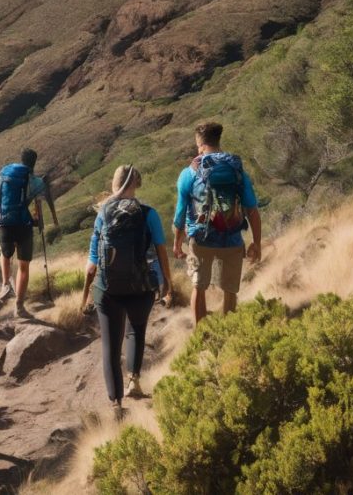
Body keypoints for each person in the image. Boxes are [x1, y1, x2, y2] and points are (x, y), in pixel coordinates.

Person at [80, 166, 171, 414]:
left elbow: (91, 263)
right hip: (141, 288)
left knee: (110, 345)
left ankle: (116, 403)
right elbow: (161, 251)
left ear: (115, 184)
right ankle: (134, 382)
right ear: (136, 185)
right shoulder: (148, 213)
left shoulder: (103, 213)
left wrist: (87, 293)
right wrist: (166, 283)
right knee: (135, 332)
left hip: (107, 289)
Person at [172, 122, 262, 325]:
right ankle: (228, 336)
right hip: (232, 239)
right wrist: (256, 242)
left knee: (199, 287)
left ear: (201, 144)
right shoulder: (236, 169)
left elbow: (180, 215)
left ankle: (200, 336)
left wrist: (177, 244)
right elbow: (252, 211)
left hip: (201, 239)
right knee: (230, 290)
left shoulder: (189, 173)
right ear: (218, 141)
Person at [0, 148, 59, 318]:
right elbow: (37, 207)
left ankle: (6, 285)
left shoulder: (2, 176)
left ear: (21, 160)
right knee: (23, 267)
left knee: (5, 255)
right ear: (34, 163)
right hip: (24, 226)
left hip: (5, 224)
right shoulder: (34, 181)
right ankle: (19, 307)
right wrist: (40, 221)